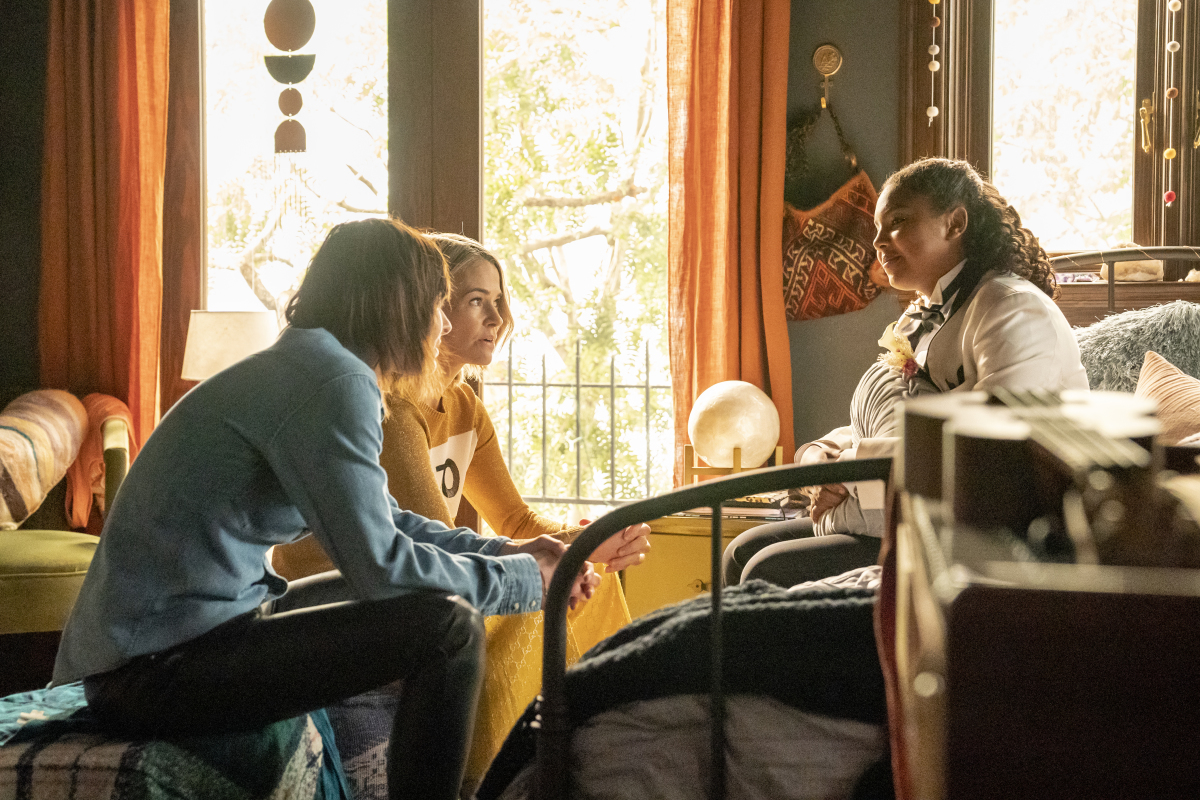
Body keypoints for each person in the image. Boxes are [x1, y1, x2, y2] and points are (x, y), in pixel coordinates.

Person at [51, 218, 599, 800]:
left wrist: (507, 551)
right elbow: (382, 566)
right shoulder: (333, 380)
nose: (441, 324)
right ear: (395, 303)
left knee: (437, 606)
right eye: (438, 305)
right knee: (449, 626)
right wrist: (520, 579)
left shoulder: (314, 366)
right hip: (156, 672)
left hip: (186, 644)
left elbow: (388, 522)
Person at [273, 232, 651, 791]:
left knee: (589, 579)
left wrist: (584, 542)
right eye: (476, 300)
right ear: (432, 308)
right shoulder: (390, 408)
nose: (497, 317)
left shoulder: (466, 405)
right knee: (528, 596)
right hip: (356, 594)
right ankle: (497, 775)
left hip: (414, 572)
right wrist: (545, 563)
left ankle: (607, 751)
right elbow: (426, 555)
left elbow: (515, 524)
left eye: (499, 302)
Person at [724, 157, 1089, 587]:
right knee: (740, 551)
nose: (877, 241)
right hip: (919, 499)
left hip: (990, 529)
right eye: (877, 228)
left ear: (954, 224)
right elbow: (892, 418)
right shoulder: (924, 315)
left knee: (765, 569)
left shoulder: (1011, 309)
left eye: (896, 222)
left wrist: (853, 469)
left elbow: (992, 446)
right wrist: (821, 457)